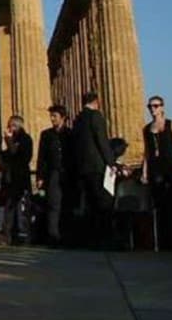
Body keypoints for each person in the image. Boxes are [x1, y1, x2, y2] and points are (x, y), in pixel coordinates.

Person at [71, 92, 115, 249]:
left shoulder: (78, 119)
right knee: (102, 204)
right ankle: (105, 239)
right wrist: (111, 162)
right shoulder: (95, 116)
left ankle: (90, 239)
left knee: (87, 204)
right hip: (97, 167)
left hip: (82, 168)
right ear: (97, 101)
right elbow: (101, 140)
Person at [142, 96, 172, 250]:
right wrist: (144, 172)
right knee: (160, 206)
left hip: (171, 166)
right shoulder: (146, 129)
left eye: (155, 106)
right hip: (156, 168)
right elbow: (146, 152)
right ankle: (164, 242)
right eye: (150, 106)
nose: (152, 109)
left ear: (162, 107)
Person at [36, 104, 71, 246]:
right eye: (51, 116)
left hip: (68, 173)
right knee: (53, 204)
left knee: (67, 204)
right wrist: (40, 176)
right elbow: (41, 157)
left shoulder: (70, 134)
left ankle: (67, 236)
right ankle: (53, 236)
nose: (52, 119)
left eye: (55, 116)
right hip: (53, 173)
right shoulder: (46, 135)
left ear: (63, 118)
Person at [0, 115, 33, 244]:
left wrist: (8, 139)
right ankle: (8, 235)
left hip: (20, 177)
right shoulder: (13, 139)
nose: (8, 128)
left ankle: (23, 233)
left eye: (10, 126)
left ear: (16, 126)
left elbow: (15, 153)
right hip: (11, 177)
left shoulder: (24, 139)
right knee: (10, 207)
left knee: (22, 207)